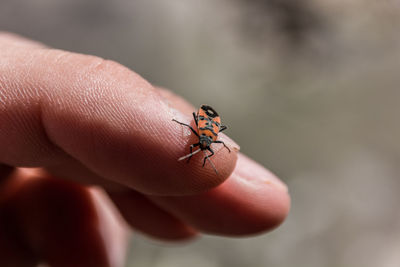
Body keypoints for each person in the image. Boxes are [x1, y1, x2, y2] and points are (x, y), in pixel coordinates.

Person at [0, 32, 290, 267]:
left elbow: (204, 130)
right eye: (201, 146)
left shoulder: (204, 139)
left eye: (203, 147)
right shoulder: (200, 136)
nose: (202, 148)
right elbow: (197, 125)